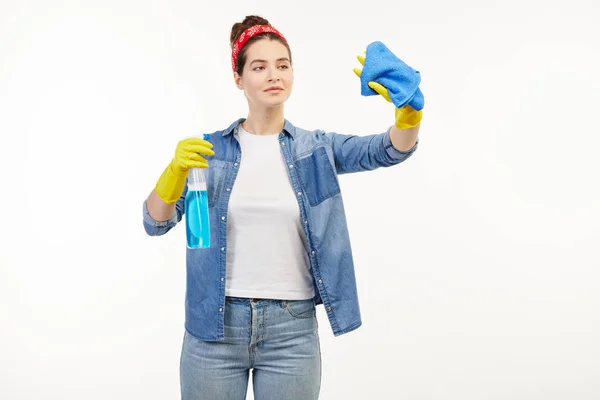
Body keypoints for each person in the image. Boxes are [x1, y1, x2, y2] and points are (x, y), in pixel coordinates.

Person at [142, 14, 423, 400]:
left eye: (283, 65)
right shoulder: (208, 153)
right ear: (239, 78)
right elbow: (155, 223)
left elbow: (389, 149)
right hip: (214, 328)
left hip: (292, 330)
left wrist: (409, 114)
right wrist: (173, 173)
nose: (274, 74)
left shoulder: (316, 148)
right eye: (259, 67)